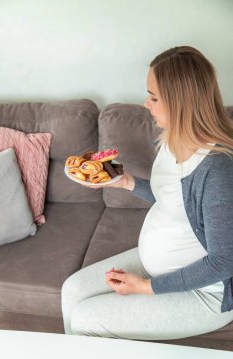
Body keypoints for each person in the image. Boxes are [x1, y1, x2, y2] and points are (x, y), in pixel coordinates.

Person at [61, 46, 233, 340]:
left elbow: (224, 261)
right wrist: (127, 182)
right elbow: (177, 203)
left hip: (204, 292)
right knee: (72, 290)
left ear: (181, 103)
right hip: (155, 265)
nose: (146, 104)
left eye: (154, 97)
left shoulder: (216, 170)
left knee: (86, 318)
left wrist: (146, 287)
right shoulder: (171, 139)